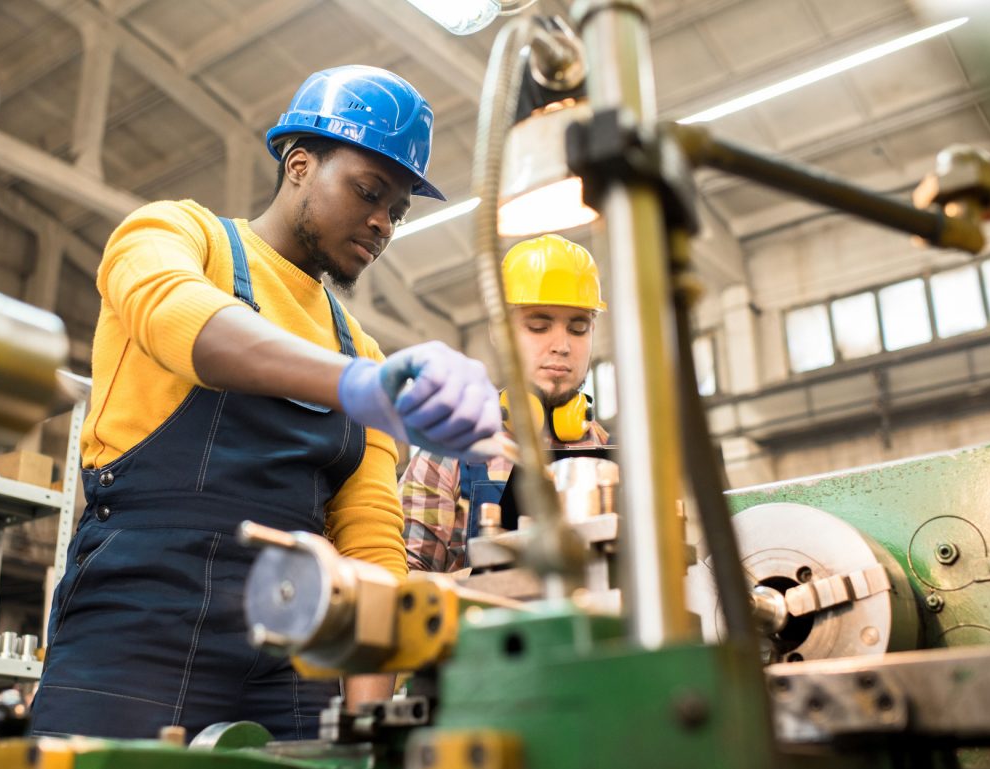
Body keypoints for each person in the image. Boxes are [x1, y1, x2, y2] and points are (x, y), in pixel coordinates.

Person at [30, 65, 501, 741]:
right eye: (369, 192)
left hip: (295, 649)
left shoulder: (358, 345)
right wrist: (354, 386)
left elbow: (369, 543)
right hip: (137, 622)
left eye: (397, 210)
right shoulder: (179, 236)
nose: (383, 223)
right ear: (301, 164)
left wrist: (369, 722)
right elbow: (179, 315)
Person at [401, 234, 610, 572]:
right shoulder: (447, 451)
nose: (562, 345)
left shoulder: (607, 455)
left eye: (578, 328)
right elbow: (405, 585)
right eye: (539, 326)